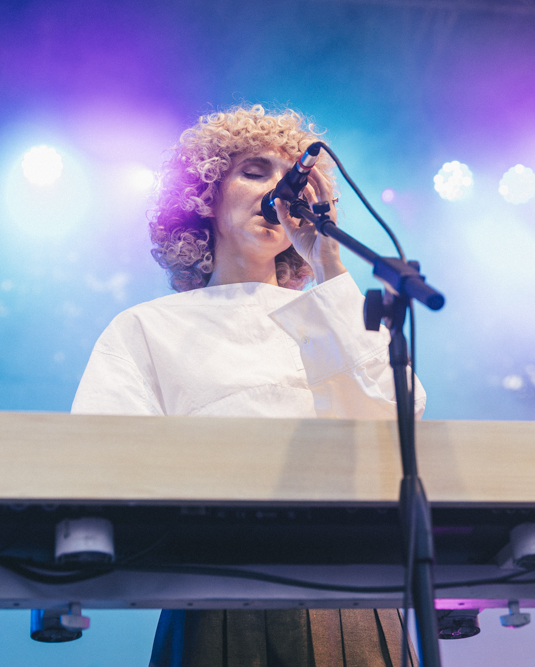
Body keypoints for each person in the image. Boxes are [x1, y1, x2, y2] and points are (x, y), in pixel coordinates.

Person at [72, 104, 422, 666]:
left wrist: (330, 265)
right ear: (204, 196)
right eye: (256, 171)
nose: (280, 190)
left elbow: (394, 422)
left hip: (351, 592)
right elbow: (102, 466)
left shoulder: (334, 310)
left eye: (294, 180)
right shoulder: (147, 327)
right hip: (216, 589)